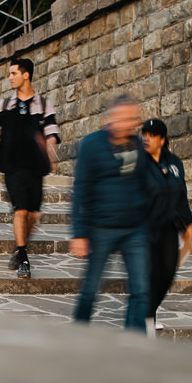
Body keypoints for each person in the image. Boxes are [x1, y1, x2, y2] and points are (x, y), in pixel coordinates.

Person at [70, 96, 150, 332]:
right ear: (111, 118)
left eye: (133, 118)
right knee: (90, 290)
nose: (130, 123)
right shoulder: (91, 145)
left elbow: (144, 184)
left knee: (141, 290)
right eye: (124, 117)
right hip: (100, 228)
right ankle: (78, 335)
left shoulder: (137, 145)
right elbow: (80, 190)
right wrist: (79, 234)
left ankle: (134, 342)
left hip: (135, 230)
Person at [0, 58, 60, 279]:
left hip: (35, 167)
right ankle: (24, 257)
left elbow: (52, 134)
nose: (10, 77)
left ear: (26, 75)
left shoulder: (43, 105)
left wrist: (50, 150)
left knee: (34, 215)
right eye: (10, 74)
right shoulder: (4, 105)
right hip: (12, 166)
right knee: (20, 210)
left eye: (14, 73)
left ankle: (19, 247)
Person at [140, 119, 192, 332]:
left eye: (151, 135)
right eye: (144, 134)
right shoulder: (137, 162)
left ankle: (147, 311)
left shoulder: (174, 163)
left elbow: (181, 193)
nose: (146, 138)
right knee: (151, 273)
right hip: (145, 226)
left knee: (168, 272)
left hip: (169, 226)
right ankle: (147, 317)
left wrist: (188, 222)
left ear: (162, 139)